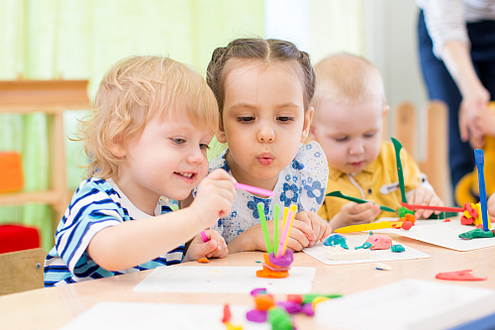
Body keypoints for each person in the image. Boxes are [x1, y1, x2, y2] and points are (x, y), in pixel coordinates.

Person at [44, 55, 235, 287]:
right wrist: (195, 217)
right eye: (178, 140)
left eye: (203, 145)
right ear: (119, 140)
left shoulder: (165, 210)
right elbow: (112, 253)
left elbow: (147, 277)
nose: (197, 157)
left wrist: (188, 257)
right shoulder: (95, 198)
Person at [204, 38, 332, 253]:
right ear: (219, 123)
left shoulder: (304, 175)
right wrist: (250, 240)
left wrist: (309, 227)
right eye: (246, 118)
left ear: (305, 125)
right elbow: (195, 266)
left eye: (283, 118)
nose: (266, 134)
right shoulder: (208, 191)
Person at [309, 54, 444, 230]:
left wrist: (426, 200)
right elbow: (310, 240)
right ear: (312, 130)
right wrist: (338, 224)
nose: (357, 150)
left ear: (382, 119)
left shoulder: (395, 158)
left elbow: (433, 209)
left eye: (369, 135)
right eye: (342, 138)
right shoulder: (309, 174)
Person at [416, 0, 495, 203]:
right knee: (461, 148)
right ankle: (470, 220)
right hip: (446, 28)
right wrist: (472, 94)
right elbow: (446, 26)